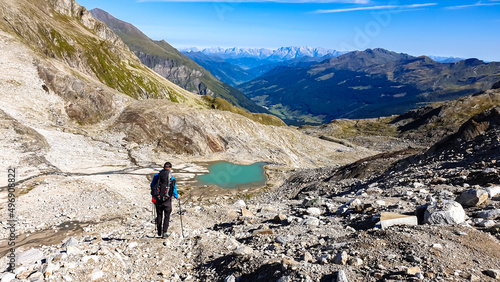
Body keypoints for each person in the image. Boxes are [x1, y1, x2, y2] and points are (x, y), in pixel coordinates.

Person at [150, 162, 179, 238]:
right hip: (167, 200)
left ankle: (159, 231)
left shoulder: (157, 175)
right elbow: (173, 189)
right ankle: (164, 233)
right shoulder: (172, 178)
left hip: (158, 199)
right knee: (167, 216)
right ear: (170, 168)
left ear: (163, 168)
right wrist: (177, 196)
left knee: (159, 215)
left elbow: (152, 185)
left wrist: (153, 194)